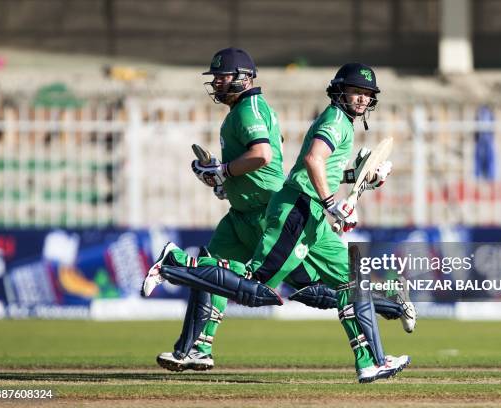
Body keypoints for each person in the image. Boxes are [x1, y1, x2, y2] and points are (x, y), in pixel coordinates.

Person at [148, 62, 416, 383]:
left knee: (351, 283)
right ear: (339, 91)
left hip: (311, 212)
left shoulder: (342, 122)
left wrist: (361, 177)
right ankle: (176, 263)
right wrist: (332, 204)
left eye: (366, 95)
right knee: (260, 287)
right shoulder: (334, 119)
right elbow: (312, 161)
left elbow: (324, 169)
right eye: (355, 92)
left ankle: (371, 362)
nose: (360, 99)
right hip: (299, 209)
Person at [141, 47, 322, 371]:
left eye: (222, 76)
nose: (217, 83)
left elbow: (263, 155)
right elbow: (261, 158)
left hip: (263, 213)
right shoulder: (248, 108)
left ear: (244, 77)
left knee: (305, 289)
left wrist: (223, 171)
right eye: (216, 78)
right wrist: (224, 181)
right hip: (242, 210)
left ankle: (175, 260)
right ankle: (197, 348)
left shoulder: (247, 110)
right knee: (209, 271)